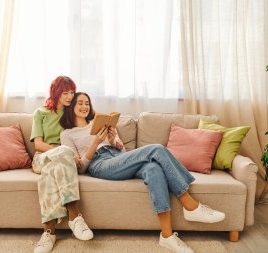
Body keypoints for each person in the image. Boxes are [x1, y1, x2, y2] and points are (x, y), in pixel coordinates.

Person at [59, 92, 226, 253]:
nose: (84, 106)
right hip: (100, 164)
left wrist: (112, 140)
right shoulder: (67, 134)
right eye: (80, 103)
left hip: (118, 157)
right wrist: (96, 142)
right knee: (157, 149)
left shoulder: (98, 124)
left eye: (87, 103)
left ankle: (167, 236)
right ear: (72, 106)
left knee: (154, 169)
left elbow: (122, 151)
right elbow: (80, 168)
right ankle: (190, 205)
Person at [30, 77, 93, 253]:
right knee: (60, 155)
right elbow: (38, 144)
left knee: (50, 172)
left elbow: (90, 123)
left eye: (72, 92)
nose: (69, 96)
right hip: (42, 157)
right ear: (55, 92)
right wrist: (64, 151)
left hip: (62, 163)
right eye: (65, 92)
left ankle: (48, 233)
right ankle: (74, 215)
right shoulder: (40, 113)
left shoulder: (72, 112)